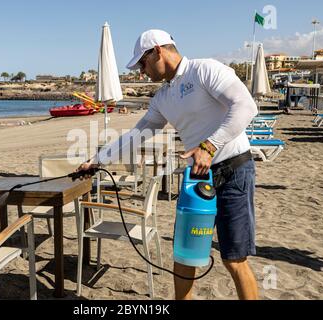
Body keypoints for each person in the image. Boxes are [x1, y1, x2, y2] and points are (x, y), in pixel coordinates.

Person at [78, 29, 259, 300]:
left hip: (234, 169)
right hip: (198, 177)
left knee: (233, 259)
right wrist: (97, 160)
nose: (141, 72)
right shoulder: (163, 98)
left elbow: (246, 106)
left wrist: (209, 146)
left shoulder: (205, 70)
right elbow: (137, 135)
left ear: (158, 52)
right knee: (185, 255)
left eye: (142, 63)